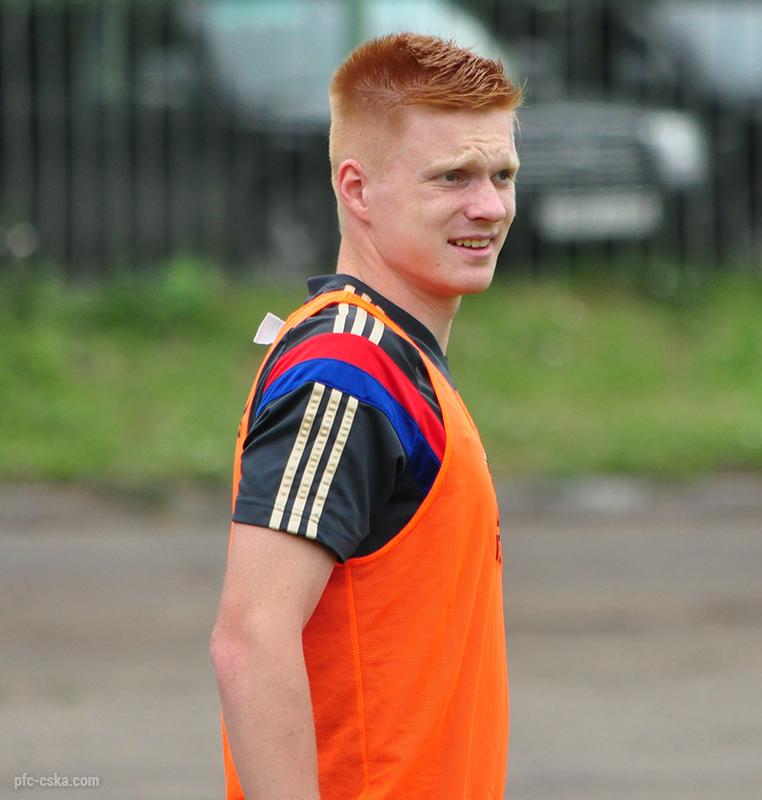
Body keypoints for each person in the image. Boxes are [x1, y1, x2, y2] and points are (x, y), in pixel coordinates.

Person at [209, 33, 522, 800]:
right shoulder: (347, 371)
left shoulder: (395, 361)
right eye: (452, 177)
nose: (488, 206)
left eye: (503, 175)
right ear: (357, 190)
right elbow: (250, 640)